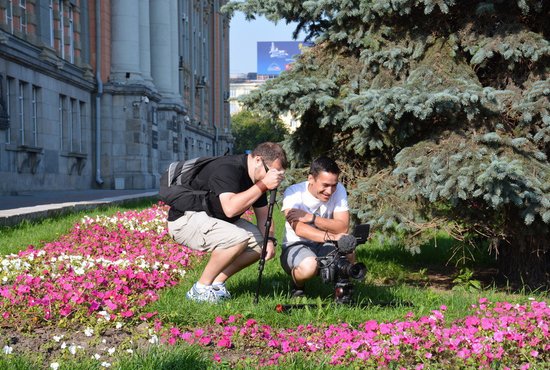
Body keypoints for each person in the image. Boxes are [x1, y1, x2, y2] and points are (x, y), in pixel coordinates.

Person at [167, 142, 287, 303]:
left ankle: (216, 283)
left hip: (211, 218)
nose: (271, 179)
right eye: (270, 172)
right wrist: (263, 185)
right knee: (238, 237)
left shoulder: (257, 178)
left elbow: (264, 215)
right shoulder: (229, 169)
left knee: (261, 244)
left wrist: (270, 241)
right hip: (184, 220)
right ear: (258, 160)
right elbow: (231, 208)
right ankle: (200, 289)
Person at [280, 156, 350, 297]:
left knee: (348, 249)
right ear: (311, 178)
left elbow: (343, 227)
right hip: (297, 244)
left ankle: (342, 291)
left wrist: (312, 218)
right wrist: (333, 236)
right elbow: (299, 229)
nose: (330, 191)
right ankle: (297, 285)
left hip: (326, 243)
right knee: (310, 265)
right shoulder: (294, 193)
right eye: (325, 185)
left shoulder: (339, 190)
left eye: (334, 185)